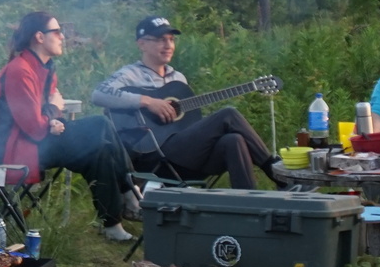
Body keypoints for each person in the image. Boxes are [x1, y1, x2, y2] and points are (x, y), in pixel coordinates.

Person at [0, 10, 137, 242]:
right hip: (10, 150)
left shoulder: (45, 68)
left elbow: (46, 113)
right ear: (40, 37)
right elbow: (34, 125)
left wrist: (54, 118)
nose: (62, 36)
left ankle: (112, 223)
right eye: (57, 31)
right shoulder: (19, 70)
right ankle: (130, 191)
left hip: (33, 141)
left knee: (99, 150)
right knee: (99, 124)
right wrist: (53, 112)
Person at [90, 15, 287, 189]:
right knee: (228, 114)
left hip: (186, 158)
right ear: (141, 44)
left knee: (233, 140)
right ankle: (276, 172)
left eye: (171, 39)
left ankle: (249, 207)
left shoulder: (178, 79)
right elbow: (98, 94)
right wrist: (147, 101)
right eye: (160, 40)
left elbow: (187, 124)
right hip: (155, 157)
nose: (168, 45)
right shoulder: (130, 74)